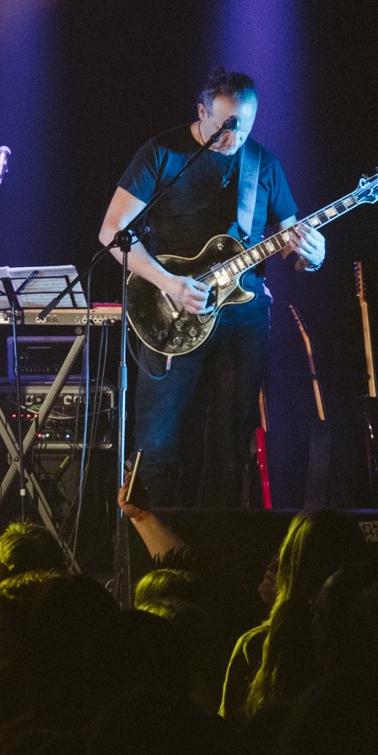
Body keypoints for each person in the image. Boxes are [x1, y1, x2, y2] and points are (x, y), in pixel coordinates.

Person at [97, 68, 324, 509]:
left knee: (230, 452)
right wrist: (170, 283)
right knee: (156, 448)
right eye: (225, 127)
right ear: (202, 112)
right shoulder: (163, 153)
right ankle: (152, 558)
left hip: (243, 320)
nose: (234, 139)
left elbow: (294, 246)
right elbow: (112, 232)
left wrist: (313, 255)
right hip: (168, 309)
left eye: (245, 128)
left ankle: (213, 561)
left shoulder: (264, 165)